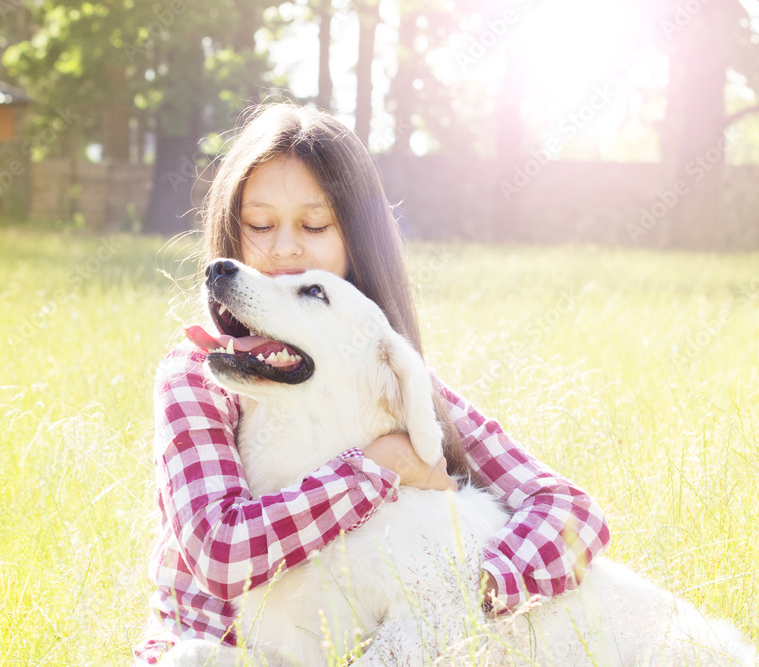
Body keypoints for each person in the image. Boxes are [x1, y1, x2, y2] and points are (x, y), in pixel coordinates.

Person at [133, 103, 610, 664]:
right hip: (211, 650)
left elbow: (570, 512)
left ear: (357, 241)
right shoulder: (197, 379)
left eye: (314, 226)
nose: (285, 248)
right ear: (230, 231)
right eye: (260, 225)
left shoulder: (385, 376)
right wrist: (376, 469)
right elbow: (221, 552)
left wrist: (475, 592)